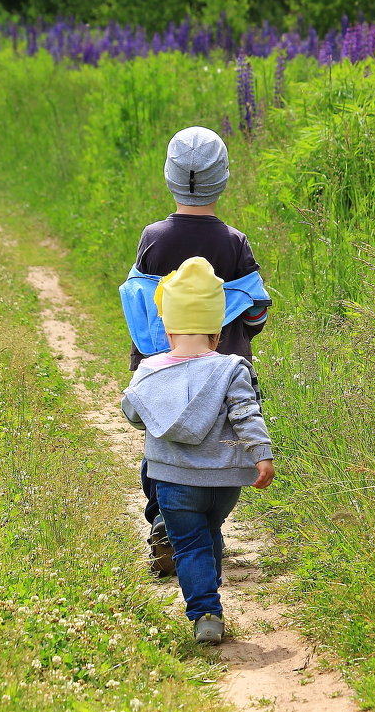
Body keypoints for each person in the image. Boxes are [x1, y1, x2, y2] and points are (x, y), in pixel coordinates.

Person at [120, 126, 271, 577]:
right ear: (222, 178)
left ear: (169, 176)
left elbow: (139, 301)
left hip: (160, 366)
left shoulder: (154, 237)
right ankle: (207, 526)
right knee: (219, 442)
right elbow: (255, 310)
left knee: (161, 446)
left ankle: (166, 520)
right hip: (220, 371)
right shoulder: (233, 241)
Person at [121, 257, 275, 644]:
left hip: (173, 478)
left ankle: (206, 612)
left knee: (189, 544)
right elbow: (246, 413)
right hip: (224, 480)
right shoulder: (233, 368)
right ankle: (211, 589)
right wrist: (262, 454)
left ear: (168, 330)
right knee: (210, 531)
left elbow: (135, 415)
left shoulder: (149, 370)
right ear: (217, 332)